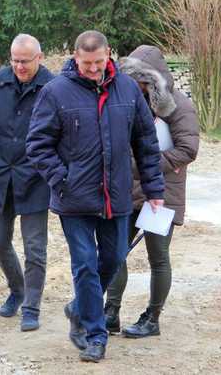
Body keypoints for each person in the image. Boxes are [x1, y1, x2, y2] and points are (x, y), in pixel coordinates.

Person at [26, 31, 164, 362]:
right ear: (75, 58)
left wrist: (154, 189)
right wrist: (62, 179)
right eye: (86, 63)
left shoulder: (129, 89)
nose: (92, 69)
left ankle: (78, 308)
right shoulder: (55, 92)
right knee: (85, 264)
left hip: (115, 197)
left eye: (98, 62)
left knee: (114, 258)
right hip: (73, 200)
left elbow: (145, 142)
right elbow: (37, 144)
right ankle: (94, 333)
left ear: (108, 56)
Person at [105, 45, 199, 338]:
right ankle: (111, 313)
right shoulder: (129, 100)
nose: (133, 83)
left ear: (153, 76)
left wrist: (144, 166)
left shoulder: (179, 105)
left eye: (139, 78)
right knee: (115, 251)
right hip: (128, 189)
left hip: (163, 190)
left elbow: (188, 149)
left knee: (157, 256)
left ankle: (153, 317)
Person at [0, 34, 54, 332]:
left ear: (40, 57)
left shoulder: (53, 87)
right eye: (15, 60)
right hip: (0, 175)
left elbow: (59, 133)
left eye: (25, 61)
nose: (19, 66)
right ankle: (17, 290)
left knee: (35, 249)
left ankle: (31, 308)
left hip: (35, 178)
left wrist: (46, 167)